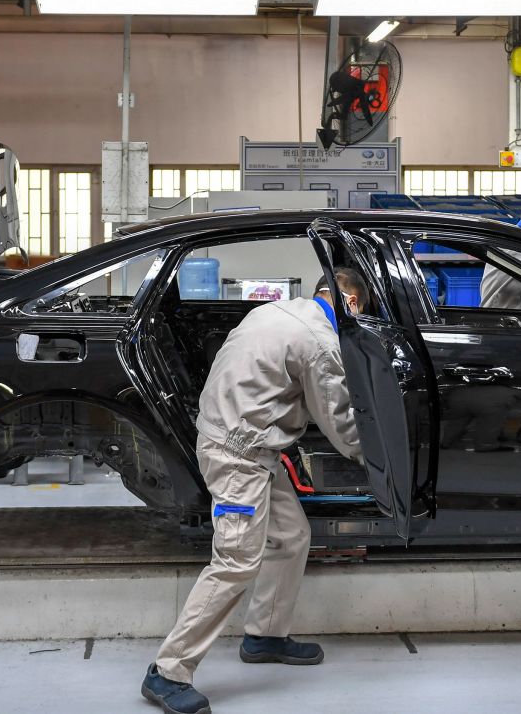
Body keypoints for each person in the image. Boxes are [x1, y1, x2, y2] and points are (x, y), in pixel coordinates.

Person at [143, 268, 370, 714]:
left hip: (248, 444)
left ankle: (265, 635)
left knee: (290, 537)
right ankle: (167, 671)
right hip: (238, 455)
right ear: (352, 303)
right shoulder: (321, 341)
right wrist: (382, 460)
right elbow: (340, 422)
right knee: (235, 562)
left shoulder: (277, 310)